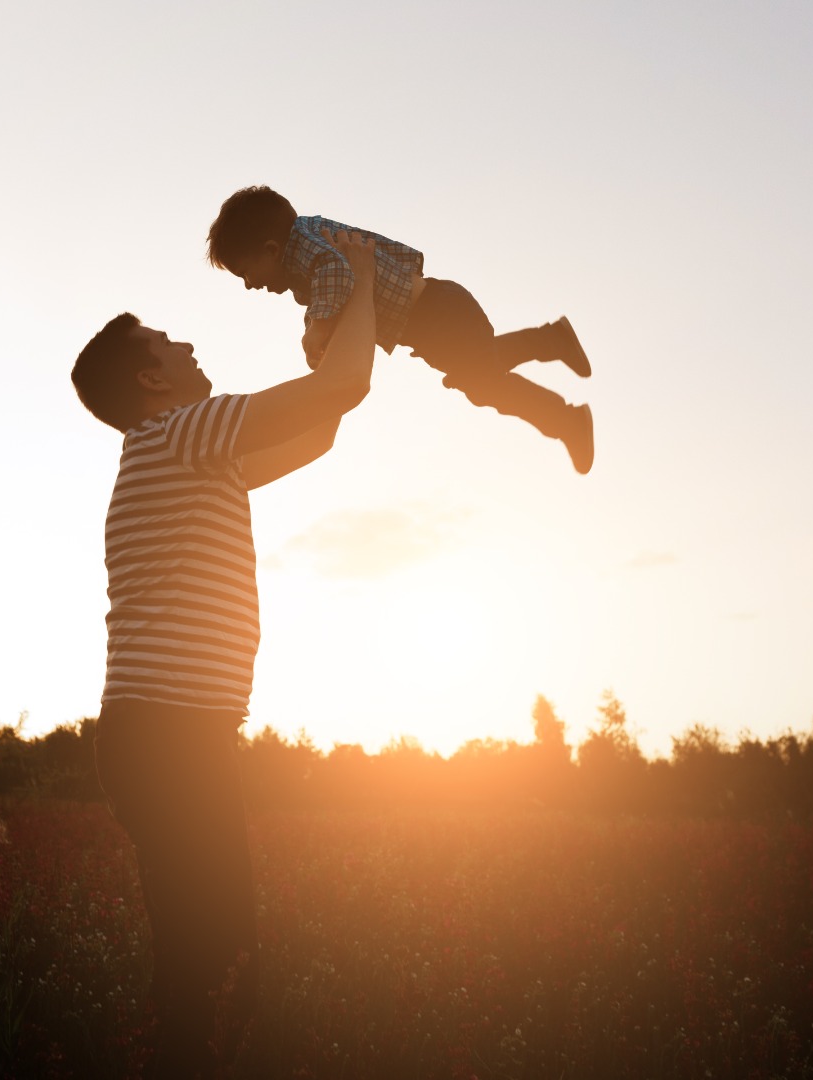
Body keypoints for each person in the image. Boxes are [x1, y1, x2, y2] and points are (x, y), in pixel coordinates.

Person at [71, 232, 380, 1078]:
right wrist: (360, 282)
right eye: (166, 342)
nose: (186, 344)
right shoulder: (181, 434)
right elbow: (343, 389)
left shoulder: (192, 452)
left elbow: (320, 427)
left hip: (179, 736)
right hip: (167, 736)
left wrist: (333, 333)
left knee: (217, 955)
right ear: (150, 380)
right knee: (211, 961)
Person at [206, 185, 596, 474]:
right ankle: (552, 342)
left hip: (438, 313)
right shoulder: (307, 251)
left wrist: (317, 330)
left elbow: (337, 272)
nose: (249, 284)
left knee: (481, 383)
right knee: (478, 372)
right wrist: (316, 328)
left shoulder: (308, 248)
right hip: (434, 318)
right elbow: (329, 288)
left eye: (245, 272)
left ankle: (567, 418)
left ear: (271, 250)